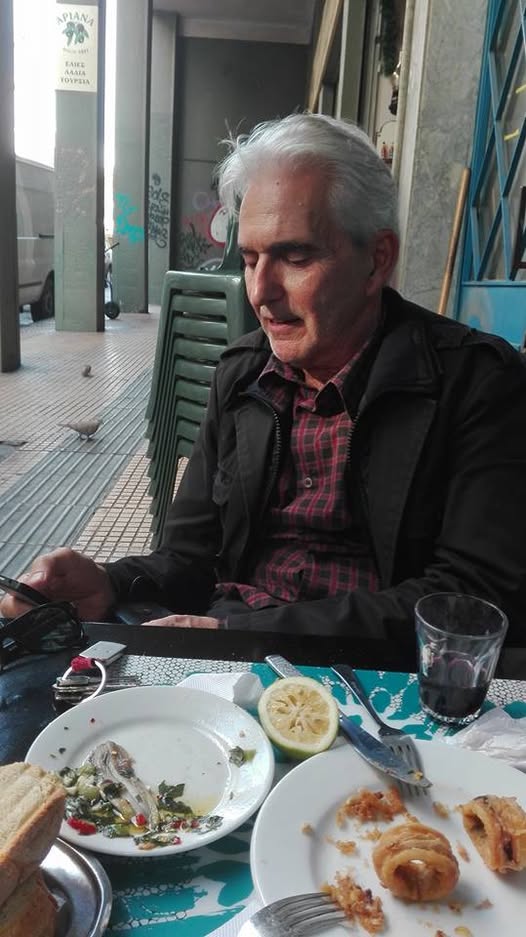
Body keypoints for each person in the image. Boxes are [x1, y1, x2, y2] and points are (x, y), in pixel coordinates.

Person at [2, 112, 526, 642]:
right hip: (227, 661)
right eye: (251, 260)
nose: (260, 291)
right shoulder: (242, 375)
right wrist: (109, 583)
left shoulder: (476, 382)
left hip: (377, 676)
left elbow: (469, 601)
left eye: (294, 257)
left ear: (377, 260)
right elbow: (189, 557)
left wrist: (243, 634)